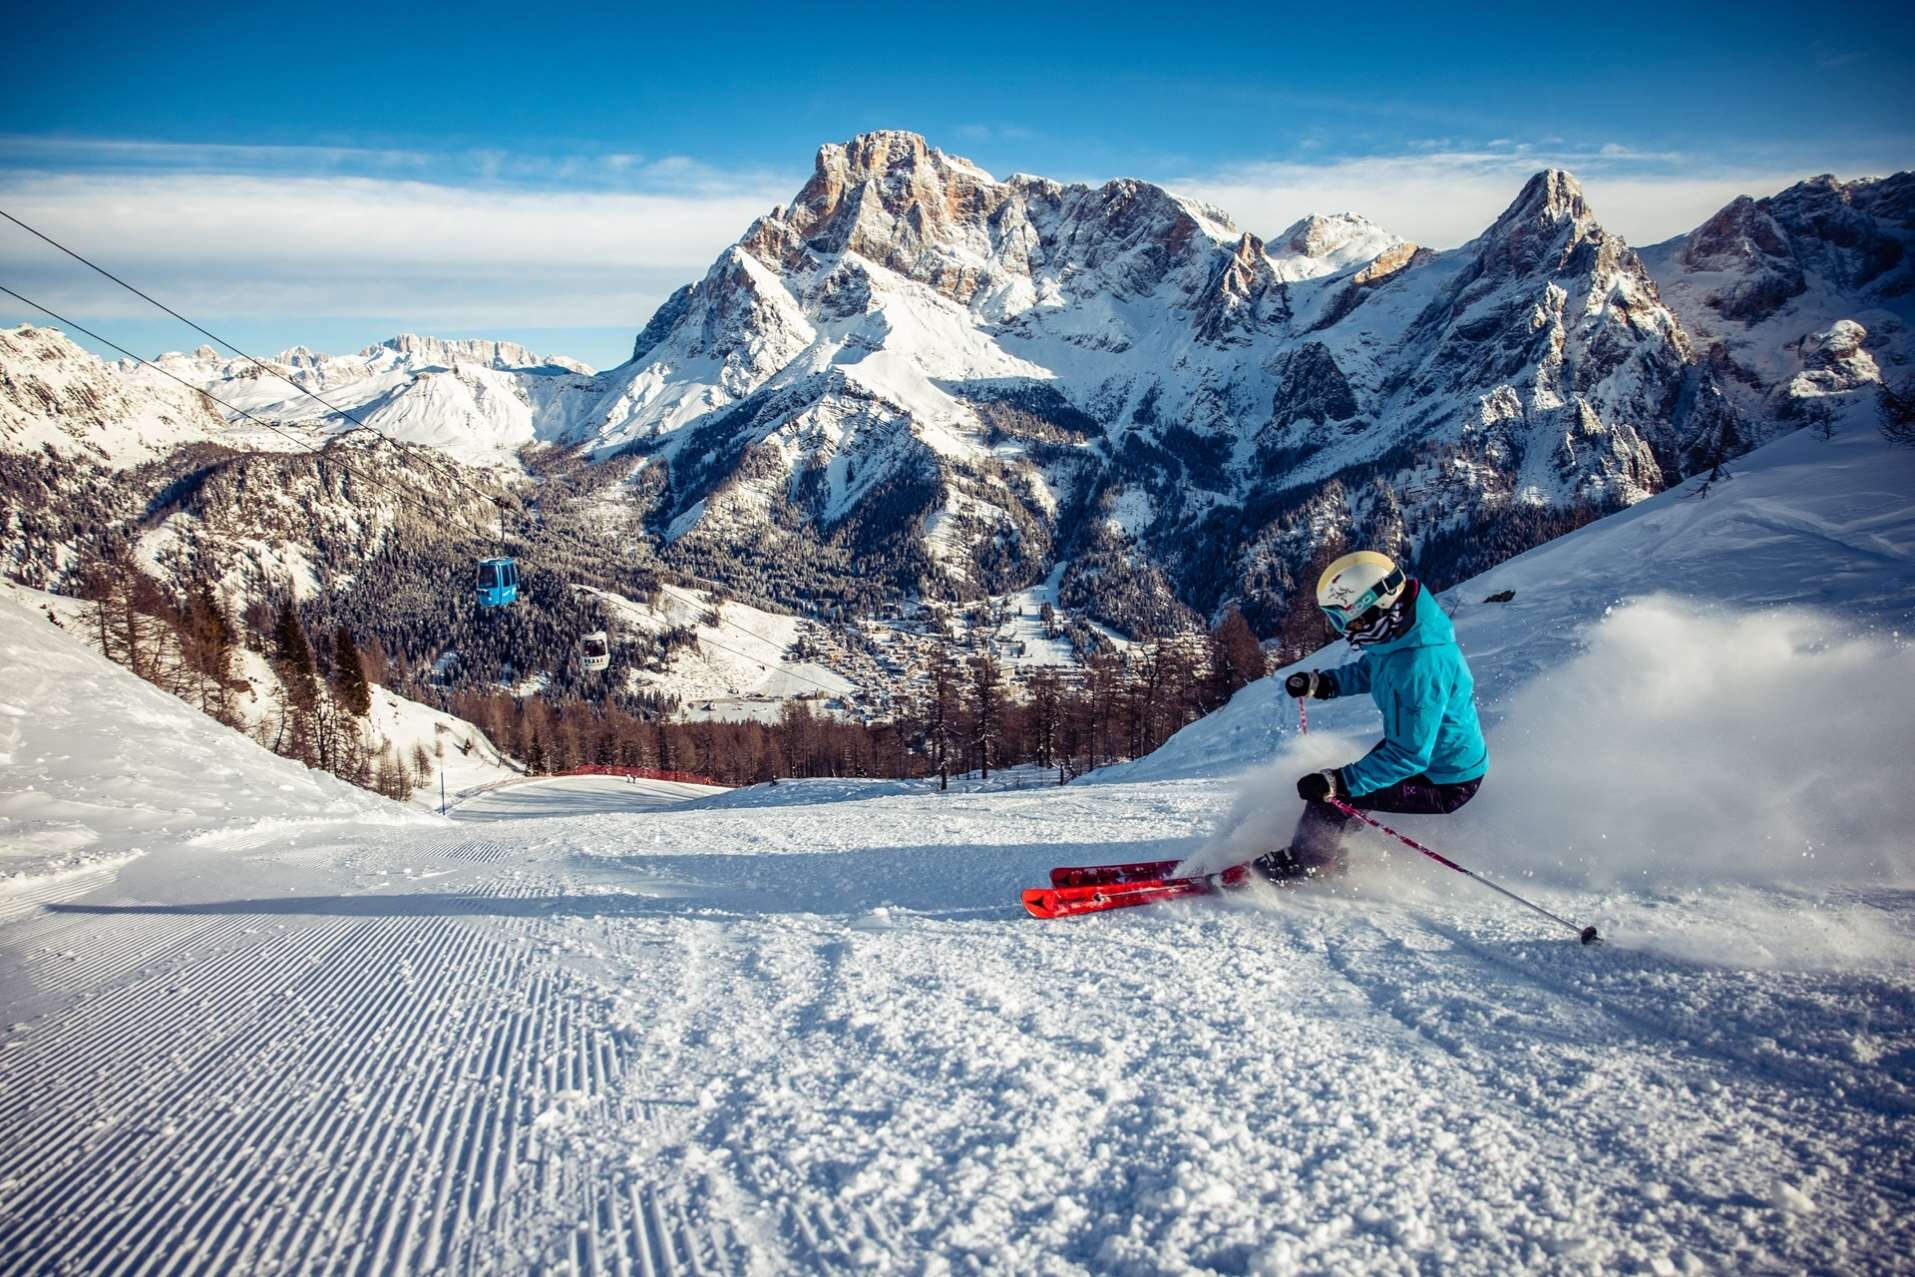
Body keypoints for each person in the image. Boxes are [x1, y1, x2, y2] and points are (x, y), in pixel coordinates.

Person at [1256, 550, 1488, 882]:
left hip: (1446, 779)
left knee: (1335, 796)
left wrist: (1339, 783)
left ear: (1375, 609)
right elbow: (1375, 669)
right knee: (1349, 789)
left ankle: (1310, 866)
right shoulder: (1402, 638)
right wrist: (1326, 684)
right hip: (1430, 753)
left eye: (1347, 620)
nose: (1346, 631)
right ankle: (1327, 848)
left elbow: (1409, 756)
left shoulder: (1420, 665)